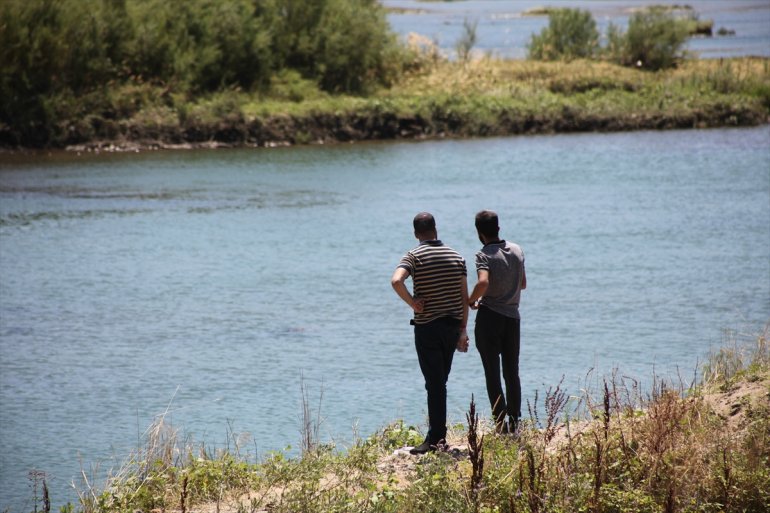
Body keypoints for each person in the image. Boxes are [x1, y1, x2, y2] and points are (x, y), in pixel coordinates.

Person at [391, 212, 469, 454]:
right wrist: (463, 330)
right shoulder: (457, 256)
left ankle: (435, 439)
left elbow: (396, 281)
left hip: (428, 327)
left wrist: (413, 303)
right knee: (440, 381)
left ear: (416, 234)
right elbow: (464, 297)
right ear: (436, 229)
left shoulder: (413, 256)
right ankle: (438, 435)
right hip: (452, 326)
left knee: (434, 383)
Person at [468, 210, 526, 434]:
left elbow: (483, 282)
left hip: (489, 317)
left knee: (492, 372)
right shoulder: (517, 250)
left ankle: (500, 424)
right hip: (512, 318)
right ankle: (515, 421)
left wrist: (471, 300)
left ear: (479, 232)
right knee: (512, 371)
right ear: (498, 228)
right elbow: (522, 284)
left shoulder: (483, 254)